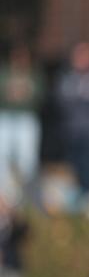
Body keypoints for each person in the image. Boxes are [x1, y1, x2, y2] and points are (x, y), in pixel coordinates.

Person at [55, 42, 89, 203]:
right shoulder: (67, 78)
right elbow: (63, 100)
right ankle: (76, 196)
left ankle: (87, 196)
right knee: (73, 165)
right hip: (72, 128)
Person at [0, 45, 43, 195]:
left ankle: (26, 193)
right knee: (2, 154)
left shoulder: (34, 74)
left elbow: (39, 96)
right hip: (5, 116)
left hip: (26, 118)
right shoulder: (4, 73)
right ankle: (5, 194)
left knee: (27, 158)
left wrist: (19, 93)